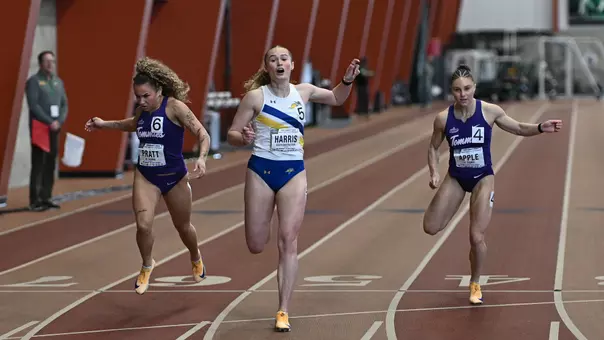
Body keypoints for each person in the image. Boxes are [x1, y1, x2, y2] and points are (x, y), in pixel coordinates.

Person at [227, 45, 360, 332]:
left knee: (289, 240)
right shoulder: (255, 97)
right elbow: (233, 133)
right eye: (273, 59)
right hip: (261, 170)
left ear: (292, 65)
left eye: (284, 58)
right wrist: (243, 136)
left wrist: (347, 80)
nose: (279, 63)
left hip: (293, 172)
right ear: (266, 68)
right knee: (256, 244)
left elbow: (337, 98)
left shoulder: (305, 92)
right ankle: (262, 224)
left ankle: (283, 310)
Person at [423, 64, 562, 305]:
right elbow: (433, 147)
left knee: (476, 236)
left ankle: (475, 283)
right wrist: (434, 172)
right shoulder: (443, 119)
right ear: (452, 92)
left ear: (475, 87)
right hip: (456, 177)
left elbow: (518, 127)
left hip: (482, 178)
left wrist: (541, 127)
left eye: (467, 88)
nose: (463, 94)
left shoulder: (489, 111)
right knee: (430, 226)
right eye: (457, 90)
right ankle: (474, 262)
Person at [84, 57, 210, 295]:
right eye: (137, 96)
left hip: (174, 177)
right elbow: (129, 124)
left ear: (159, 91)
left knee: (183, 227)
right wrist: (103, 124)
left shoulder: (175, 107)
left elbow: (202, 133)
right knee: (143, 225)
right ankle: (147, 265)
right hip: (147, 175)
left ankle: (195, 257)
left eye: (146, 96)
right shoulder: (142, 111)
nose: (141, 101)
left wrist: (202, 158)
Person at [25, 51, 68, 212]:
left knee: (50, 163)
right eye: (47, 61)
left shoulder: (58, 82)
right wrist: (50, 122)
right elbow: (34, 105)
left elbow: (65, 104)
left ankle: (46, 197)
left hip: (55, 128)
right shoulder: (34, 82)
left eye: (52, 61)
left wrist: (59, 121)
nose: (50, 64)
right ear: (40, 63)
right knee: (39, 163)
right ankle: (35, 200)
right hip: (40, 128)